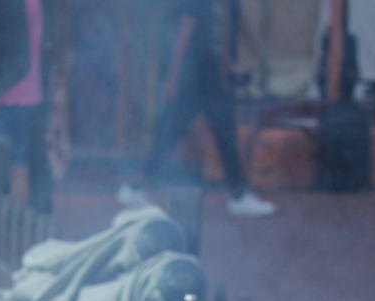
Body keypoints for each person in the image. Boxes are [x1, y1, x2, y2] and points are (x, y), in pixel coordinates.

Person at [117, 1, 275, 217]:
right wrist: (173, 79)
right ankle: (135, 187)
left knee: (218, 133)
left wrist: (229, 66)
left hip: (207, 78)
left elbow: (212, 42)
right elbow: (185, 31)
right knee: (173, 134)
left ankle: (238, 195)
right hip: (193, 79)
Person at [0, 0, 53, 213]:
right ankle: (19, 222)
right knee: (20, 163)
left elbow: (6, 51)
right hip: (30, 92)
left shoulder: (14, 5)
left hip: (7, 94)